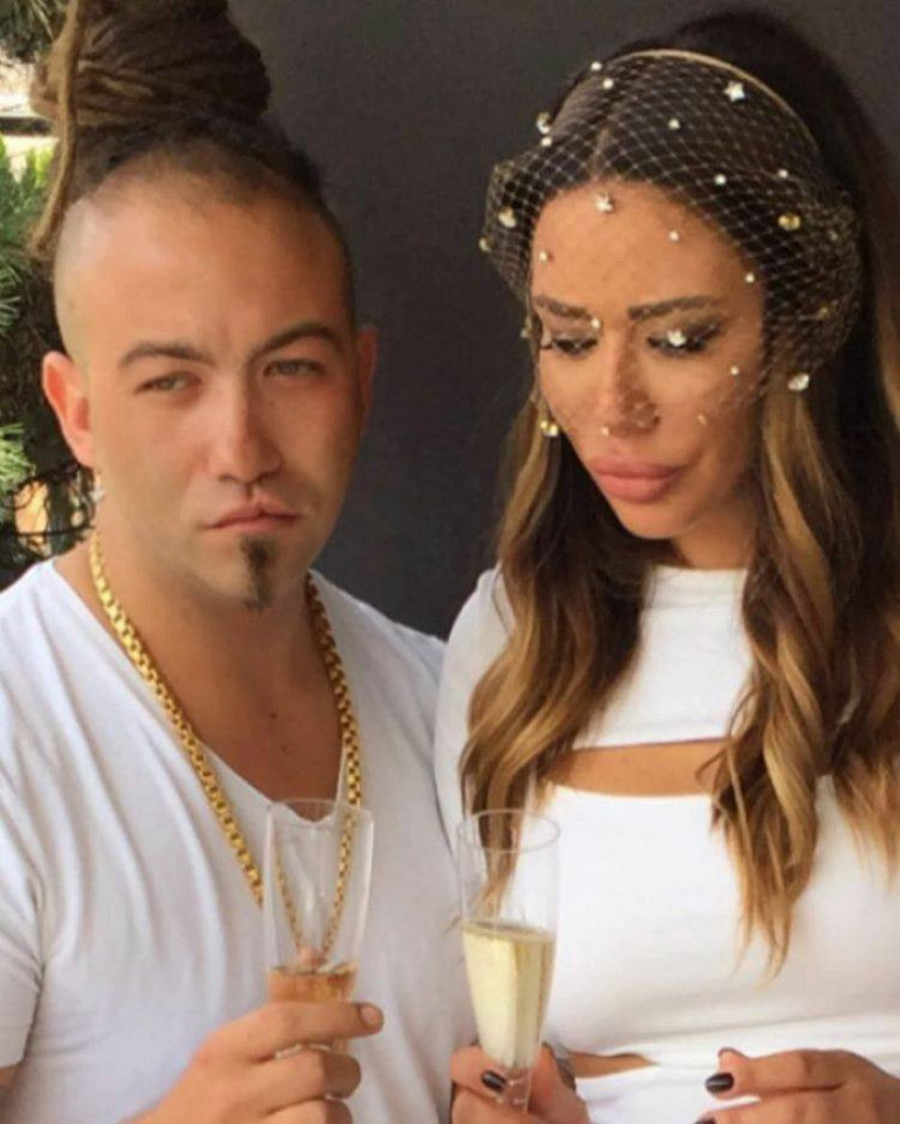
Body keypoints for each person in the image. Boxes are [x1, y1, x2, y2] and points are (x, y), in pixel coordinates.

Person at [0, 1, 472, 1121]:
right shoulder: (19, 724)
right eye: (171, 381)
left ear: (360, 379)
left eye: (291, 369)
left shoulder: (450, 700)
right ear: (76, 410)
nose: (243, 447)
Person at [436, 8, 900, 1123]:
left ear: (803, 322)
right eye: (568, 337)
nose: (613, 406)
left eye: (679, 338)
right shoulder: (514, 639)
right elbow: (503, 1052)